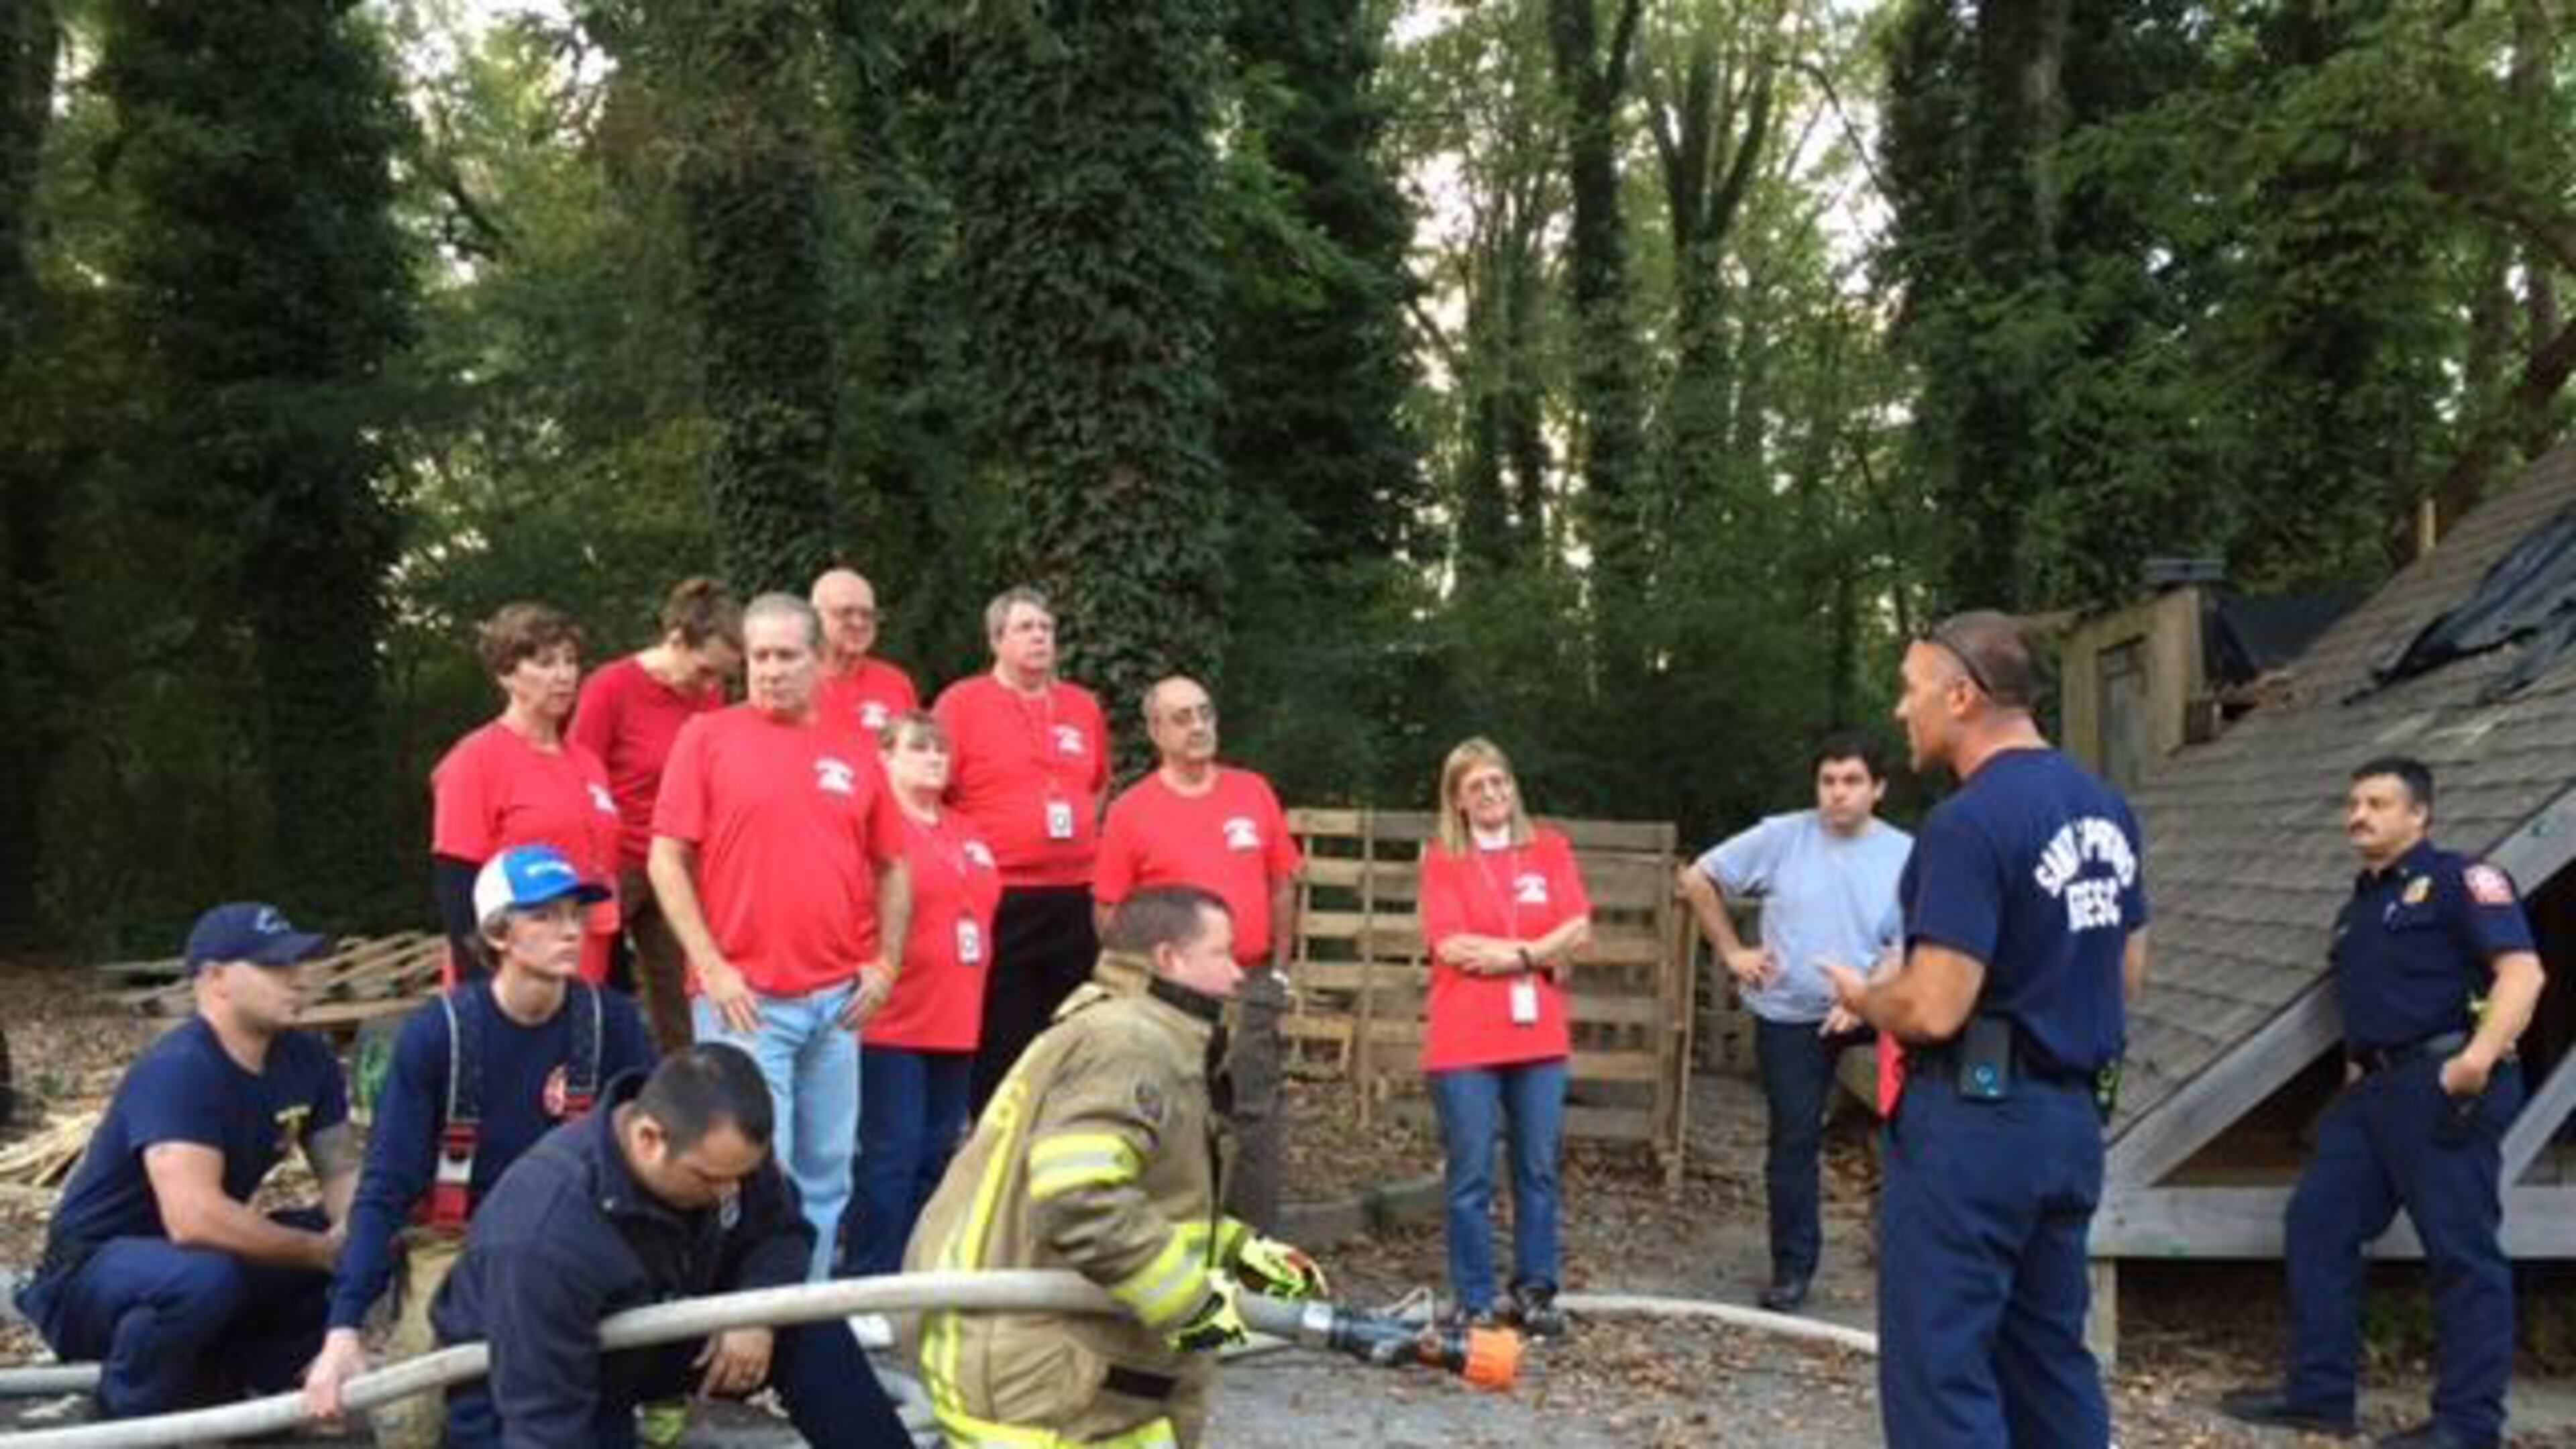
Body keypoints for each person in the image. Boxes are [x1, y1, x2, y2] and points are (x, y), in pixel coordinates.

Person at [1821, 610, 2150, 1449]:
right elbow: (2128, 971)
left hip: (1975, 1129)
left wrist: (1866, 998)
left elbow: (1935, 1006)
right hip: (2071, 1123)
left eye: (1910, 689)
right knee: (2048, 1361)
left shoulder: (1967, 824)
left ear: (1961, 695)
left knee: (1943, 1371)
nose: (1902, 710)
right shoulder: (2105, 807)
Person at [904, 888, 1330, 1449]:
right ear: (1168, 959)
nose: (1236, 975)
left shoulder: (1139, 1033)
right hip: (1033, 1371)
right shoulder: (1129, 1043)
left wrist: (1237, 1251)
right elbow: (1079, 1196)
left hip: (1067, 1362)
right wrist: (1193, 1306)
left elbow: (1143, 1197)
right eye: (1222, 954)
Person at [2220, 757, 2545, 1449]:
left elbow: (2522, 972)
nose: (2358, 815)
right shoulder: (2357, 909)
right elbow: (2366, 1008)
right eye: (2354, 803)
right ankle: (2320, 1394)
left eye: (2377, 803)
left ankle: (2468, 1424)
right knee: (2318, 1223)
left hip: (2443, 1082)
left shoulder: (2463, 881)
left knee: (2461, 1253)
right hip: (2374, 1093)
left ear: (2418, 815)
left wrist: (2474, 1063)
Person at [303, 845, 657, 1443]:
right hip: (456, 1243)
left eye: (575, 912)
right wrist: (343, 1330)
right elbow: (385, 1186)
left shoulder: (613, 1023)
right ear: (497, 934)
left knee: (581, 1394)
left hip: (580, 1241)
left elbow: (658, 1159)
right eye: (543, 916)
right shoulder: (438, 1035)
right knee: (410, 1423)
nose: (571, 930)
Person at [430, 1044, 909, 1448]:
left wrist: (755, 1312)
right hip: (526, 1384)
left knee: (808, 1328)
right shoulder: (546, 1235)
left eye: (743, 1178)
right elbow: (544, 1424)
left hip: (654, 1330)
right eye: (714, 1180)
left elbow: (782, 1232)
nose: (732, 1194)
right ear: (648, 1139)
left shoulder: (726, 1159)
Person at [651, 592, 910, 1281]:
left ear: (818, 660)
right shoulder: (707, 738)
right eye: (758, 656)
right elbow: (665, 857)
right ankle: (741, 1326)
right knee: (752, 1173)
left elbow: (894, 865)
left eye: (786, 655)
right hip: (744, 1001)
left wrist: (886, 964)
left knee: (828, 1176)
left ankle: (807, 1325)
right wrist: (712, 966)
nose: (768, 670)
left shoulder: (855, 751)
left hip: (836, 1001)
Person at [16, 902, 358, 1419]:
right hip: (88, 1276)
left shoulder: (308, 1059)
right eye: (274, 967)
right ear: (215, 978)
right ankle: (120, 1416)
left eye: (298, 964)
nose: (297, 979)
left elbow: (341, 1171)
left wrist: (354, 1237)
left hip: (191, 1265)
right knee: (204, 1278)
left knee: (357, 1243)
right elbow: (194, 1219)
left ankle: (244, 1399)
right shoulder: (180, 1069)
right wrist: (317, 1251)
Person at [1678, 733, 1910, 1313]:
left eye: (1852, 781)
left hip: (1877, 1003)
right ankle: (1792, 1269)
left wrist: (1869, 996)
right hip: (1790, 1010)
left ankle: (1909, 1259)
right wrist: (1733, 952)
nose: (1838, 794)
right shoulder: (1782, 836)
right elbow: (1697, 878)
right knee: (1793, 1139)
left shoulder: (1907, 853)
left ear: (1878, 789)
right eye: (1828, 782)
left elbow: (1913, 940)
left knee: (1916, 1128)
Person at [1093, 674, 1303, 1230]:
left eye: (1205, 713)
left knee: (1255, 1118)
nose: (1199, 727)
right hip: (1169, 996)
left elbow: (1282, 883)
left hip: (1248, 983)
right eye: (1182, 717)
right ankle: (1182, 1247)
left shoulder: (1252, 792)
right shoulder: (1131, 810)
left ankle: (1257, 1255)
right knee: (1178, 1117)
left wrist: (1279, 972)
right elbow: (1110, 912)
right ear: (1156, 730)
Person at [1414, 737, 1593, 1338]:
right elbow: (1451, 946)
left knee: (1537, 1168)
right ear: (1458, 800)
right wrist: (1542, 954)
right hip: (1464, 1040)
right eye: (1476, 787)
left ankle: (1535, 1291)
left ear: (1512, 786)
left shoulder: (1549, 848)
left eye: (1499, 782)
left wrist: (1517, 954)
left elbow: (1579, 928)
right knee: (1470, 1173)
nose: (1491, 794)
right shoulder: (1442, 858)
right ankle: (1474, 1296)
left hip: (1539, 1038)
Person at [933, 585, 1110, 1115]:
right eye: (1025, 628)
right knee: (1002, 1035)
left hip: (1074, 894)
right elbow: (933, 792)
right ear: (996, 640)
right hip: (1000, 895)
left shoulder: (1081, 705)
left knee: (1068, 1031)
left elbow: (1097, 784)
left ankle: (1057, 1135)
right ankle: (994, 1140)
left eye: (1046, 628)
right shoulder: (961, 704)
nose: (1039, 637)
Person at [846, 711, 1002, 1280]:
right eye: (918, 748)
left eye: (941, 748)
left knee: (936, 1155)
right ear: (883, 757)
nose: (935, 757)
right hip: (894, 1019)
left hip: (957, 1014)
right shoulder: (872, 828)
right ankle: (867, 1279)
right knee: (892, 1155)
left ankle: (914, 1275)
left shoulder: (967, 829)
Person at [570, 577, 742, 1051]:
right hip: (614, 860)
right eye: (706, 670)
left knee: (682, 988)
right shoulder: (611, 686)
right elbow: (578, 773)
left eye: (722, 677)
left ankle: (688, 1092)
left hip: (677, 858)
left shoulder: (708, 695)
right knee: (592, 979)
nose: (712, 686)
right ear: (675, 640)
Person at [433, 602, 623, 985]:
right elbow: (456, 886)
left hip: (588, 973)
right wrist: (481, 995)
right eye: (546, 663)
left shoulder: (587, 762)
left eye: (570, 661)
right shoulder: (475, 760)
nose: (564, 676)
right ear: (506, 674)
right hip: (511, 981)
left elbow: (603, 875)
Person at [811, 568, 918, 739]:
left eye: (868, 614)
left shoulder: (895, 682)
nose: (858, 623)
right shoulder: (791, 685)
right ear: (814, 618)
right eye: (845, 613)